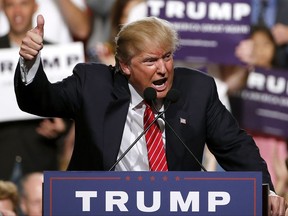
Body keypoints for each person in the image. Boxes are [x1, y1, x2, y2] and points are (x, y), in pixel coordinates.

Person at [15, 15, 287, 215]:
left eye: (167, 57)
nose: (163, 70)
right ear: (124, 66)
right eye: (150, 61)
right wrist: (30, 62)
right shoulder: (93, 84)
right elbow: (40, 99)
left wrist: (267, 190)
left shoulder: (196, 90)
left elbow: (235, 145)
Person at [0, 0, 69, 180]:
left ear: (35, 7)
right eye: (10, 5)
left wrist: (63, 125)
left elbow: (68, 100)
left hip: (41, 159)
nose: (17, 11)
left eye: (23, 4)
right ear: (2, 8)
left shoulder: (58, 52)